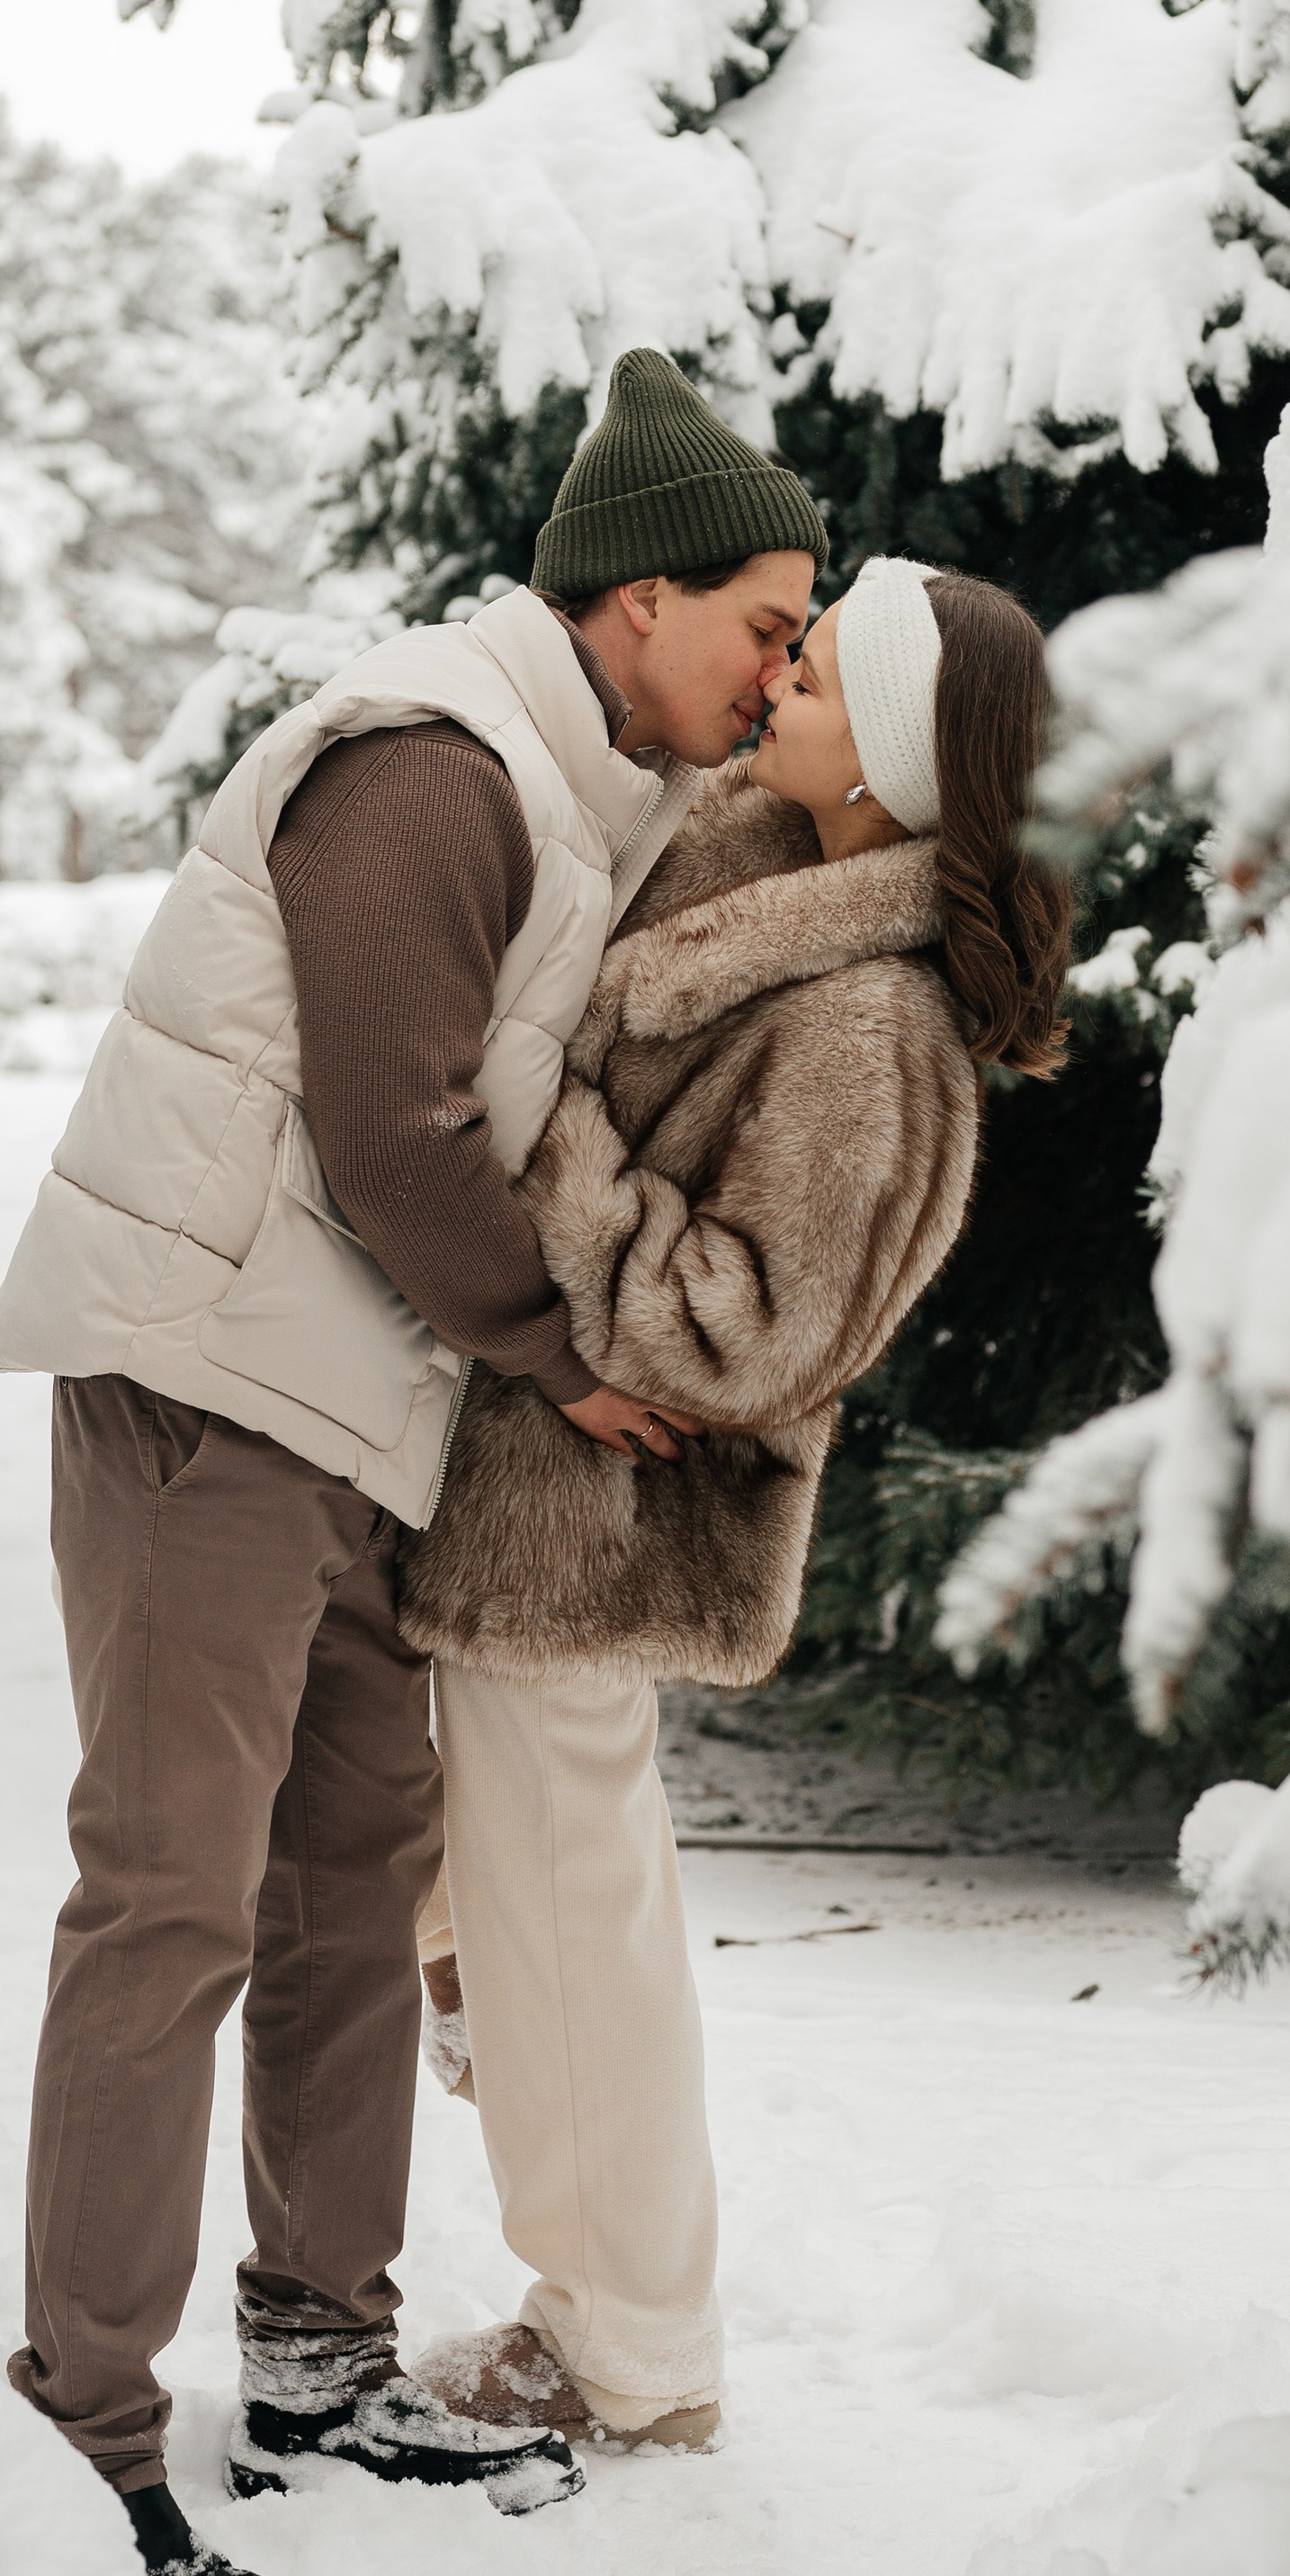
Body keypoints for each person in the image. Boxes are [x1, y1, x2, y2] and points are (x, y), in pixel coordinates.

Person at [0, 349, 823, 2576]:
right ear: (632, 601)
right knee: (172, 1897)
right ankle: (83, 2431)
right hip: (205, 1379)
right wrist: (568, 1353)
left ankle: (327, 2360)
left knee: (346, 1881)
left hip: (350, 1406)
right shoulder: (435, 767)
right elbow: (389, 1133)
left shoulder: (579, 787)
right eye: (762, 616)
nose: (779, 667)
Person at [399, 557, 1071, 2455]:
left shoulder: (873, 1022)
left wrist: (552, 1132)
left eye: (826, 663)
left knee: (572, 1901)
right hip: (514, 1456)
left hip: (608, 1517)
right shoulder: (743, 848)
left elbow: (746, 1333)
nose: (783, 666)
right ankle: (476, 2012)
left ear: (902, 757)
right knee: (506, 1886)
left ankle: (628, 2353)